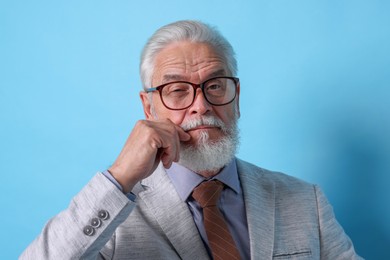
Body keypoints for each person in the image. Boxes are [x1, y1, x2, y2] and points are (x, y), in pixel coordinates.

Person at [20, 20, 362, 260]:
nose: (201, 105)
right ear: (148, 107)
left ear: (236, 97)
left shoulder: (306, 201)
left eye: (215, 86)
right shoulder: (111, 215)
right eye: (177, 91)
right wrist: (121, 176)